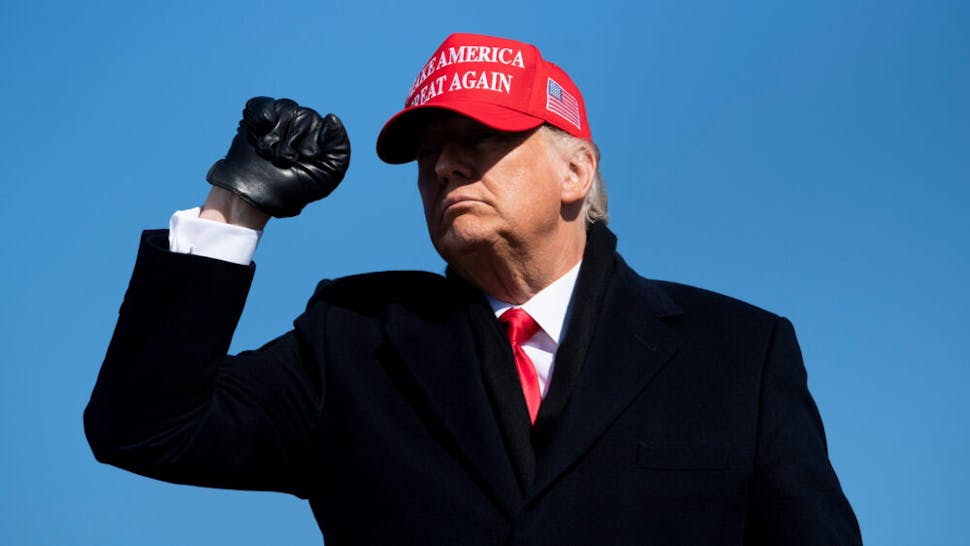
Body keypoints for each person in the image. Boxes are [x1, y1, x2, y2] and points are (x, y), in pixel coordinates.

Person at [85, 32, 862, 545]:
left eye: (479, 139)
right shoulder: (354, 340)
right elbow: (143, 427)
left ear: (575, 169)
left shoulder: (737, 353)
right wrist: (238, 203)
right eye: (429, 154)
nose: (445, 166)